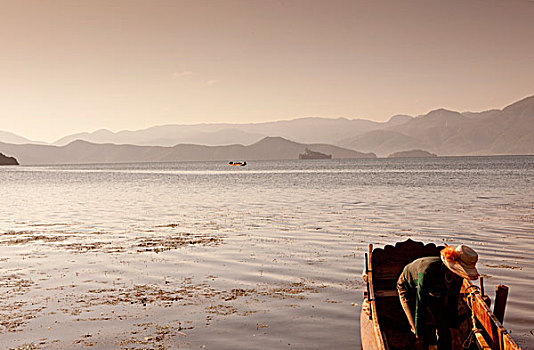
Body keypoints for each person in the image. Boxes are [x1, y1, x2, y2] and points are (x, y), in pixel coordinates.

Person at [397, 245, 480, 350]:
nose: (461, 276)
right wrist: (419, 336)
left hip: (434, 290)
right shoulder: (428, 271)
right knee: (417, 329)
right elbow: (420, 305)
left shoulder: (458, 279)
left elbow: (452, 302)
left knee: (444, 327)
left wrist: (454, 333)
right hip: (407, 287)